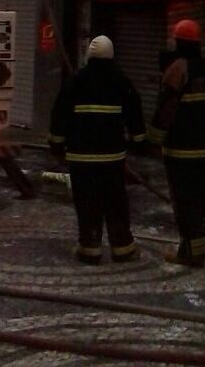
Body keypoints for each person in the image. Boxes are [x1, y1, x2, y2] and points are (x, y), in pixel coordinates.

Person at [48, 35, 146, 265]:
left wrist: (56, 144)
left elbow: (59, 113)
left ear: (89, 57)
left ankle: (89, 248)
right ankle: (123, 248)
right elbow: (135, 112)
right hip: (112, 158)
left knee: (86, 201)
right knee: (115, 202)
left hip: (80, 157)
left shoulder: (76, 81)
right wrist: (138, 141)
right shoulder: (121, 81)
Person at [148, 18, 205, 267]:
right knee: (204, 195)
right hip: (203, 148)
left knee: (184, 198)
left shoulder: (178, 69)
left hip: (180, 148)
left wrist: (153, 139)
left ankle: (190, 251)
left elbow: (167, 108)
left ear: (178, 42)